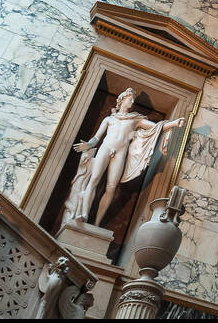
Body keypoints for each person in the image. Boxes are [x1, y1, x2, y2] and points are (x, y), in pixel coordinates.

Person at [71, 88, 185, 228]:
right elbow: (96, 138)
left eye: (133, 99)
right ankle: (84, 214)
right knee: (94, 179)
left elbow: (156, 128)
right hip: (105, 148)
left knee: (111, 187)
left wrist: (174, 124)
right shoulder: (109, 119)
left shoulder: (135, 119)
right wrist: (88, 145)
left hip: (121, 152)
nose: (132, 101)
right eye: (130, 98)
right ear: (122, 99)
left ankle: (96, 223)